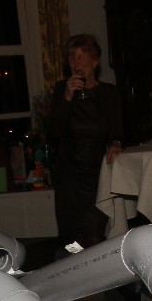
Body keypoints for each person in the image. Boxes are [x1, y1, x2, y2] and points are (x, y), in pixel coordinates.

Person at [45, 33, 123, 248]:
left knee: (94, 235)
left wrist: (116, 143)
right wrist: (67, 97)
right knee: (71, 240)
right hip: (68, 176)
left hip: (96, 174)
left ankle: (99, 269)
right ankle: (74, 269)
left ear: (94, 61)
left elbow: (116, 131)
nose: (75, 62)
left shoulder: (108, 93)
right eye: (71, 57)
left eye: (80, 57)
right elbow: (53, 133)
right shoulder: (62, 90)